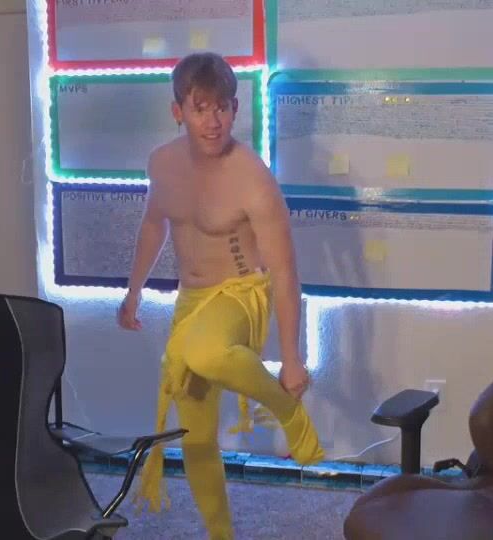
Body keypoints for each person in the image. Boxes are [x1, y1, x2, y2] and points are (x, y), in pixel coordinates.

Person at [118, 52, 324, 539]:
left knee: (205, 351)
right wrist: (132, 293)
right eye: (200, 108)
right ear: (179, 111)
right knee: (196, 434)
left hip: (241, 294)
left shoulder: (252, 178)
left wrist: (292, 359)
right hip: (191, 300)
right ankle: (221, 534)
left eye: (223, 108)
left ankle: (287, 410)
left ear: (235, 109)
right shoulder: (162, 163)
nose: (213, 121)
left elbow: (285, 270)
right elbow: (154, 225)